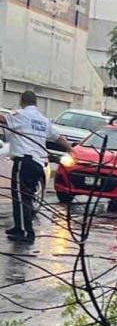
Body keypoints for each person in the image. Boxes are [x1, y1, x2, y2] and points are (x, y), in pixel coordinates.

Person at [0, 91, 70, 243]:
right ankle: (20, 227)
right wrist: (71, 150)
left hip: (24, 161)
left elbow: (3, 119)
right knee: (26, 196)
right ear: (36, 103)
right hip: (38, 163)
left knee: (20, 196)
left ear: (22, 101)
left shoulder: (21, 115)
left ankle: (25, 231)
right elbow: (58, 137)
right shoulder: (43, 120)